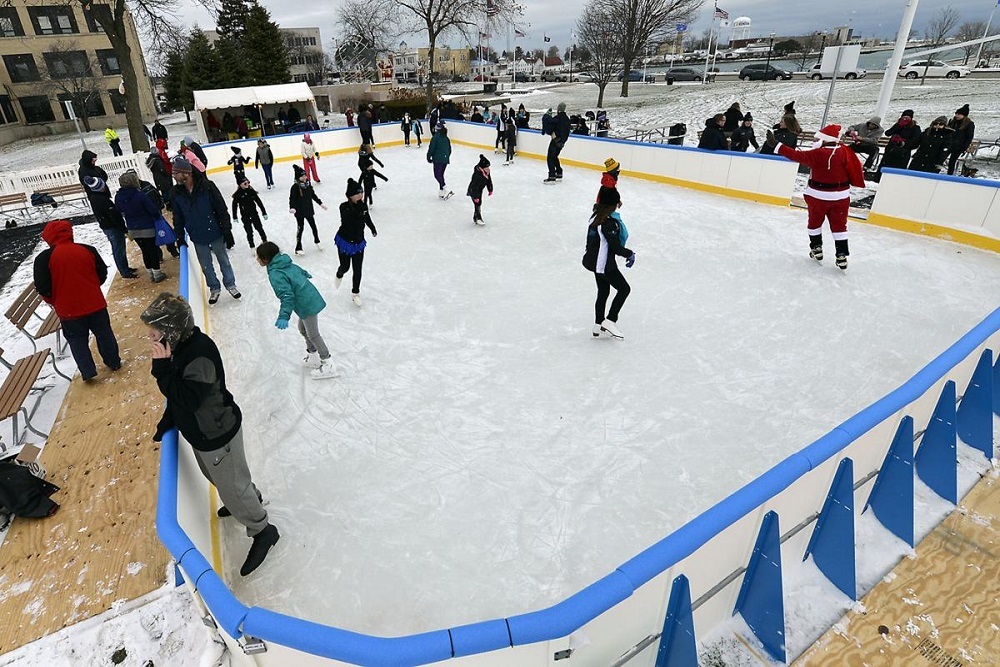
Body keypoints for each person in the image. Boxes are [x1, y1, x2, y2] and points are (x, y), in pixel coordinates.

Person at [141, 292, 279, 576]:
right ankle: (245, 497)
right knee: (222, 478)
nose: (150, 337)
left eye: (154, 331)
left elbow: (188, 398)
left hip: (217, 433)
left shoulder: (198, 355)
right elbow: (181, 399)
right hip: (203, 432)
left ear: (171, 330)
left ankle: (262, 529)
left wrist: (161, 369)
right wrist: (169, 420)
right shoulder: (180, 347)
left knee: (232, 483)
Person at [765, 124, 865, 270]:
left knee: (815, 222)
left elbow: (797, 156)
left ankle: (816, 248)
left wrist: (777, 145)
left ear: (824, 139)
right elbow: (854, 168)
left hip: (818, 196)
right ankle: (842, 254)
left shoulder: (818, 154)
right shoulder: (845, 151)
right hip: (841, 197)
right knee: (840, 225)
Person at [33, 220, 121, 382]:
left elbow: (43, 286)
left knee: (77, 341)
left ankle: (88, 372)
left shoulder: (43, 259)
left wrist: (54, 300)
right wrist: (92, 288)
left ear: (49, 237)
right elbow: (101, 274)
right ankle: (113, 362)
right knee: (104, 334)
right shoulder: (87, 249)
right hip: (95, 304)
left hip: (68, 310)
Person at [255, 242, 336, 379]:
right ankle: (313, 356)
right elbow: (295, 269)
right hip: (307, 298)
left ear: (266, 259)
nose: (256, 259)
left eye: (258, 257)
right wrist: (304, 273)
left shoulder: (275, 273)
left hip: (306, 303)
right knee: (303, 329)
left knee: (313, 334)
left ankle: (328, 363)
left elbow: (287, 296)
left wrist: (284, 316)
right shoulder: (282, 262)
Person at [170, 157, 241, 304]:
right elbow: (177, 216)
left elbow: (221, 208)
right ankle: (214, 288)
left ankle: (231, 284)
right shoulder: (176, 193)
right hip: (197, 235)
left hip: (215, 231)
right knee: (206, 265)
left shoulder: (207, 186)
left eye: (176, 173)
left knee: (224, 261)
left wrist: (226, 229)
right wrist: (179, 237)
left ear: (186, 173)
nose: (174, 176)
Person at [582, 196, 635, 340]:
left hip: (593, 261)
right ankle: (610, 320)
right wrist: (629, 254)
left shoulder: (596, 216)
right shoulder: (609, 223)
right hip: (603, 264)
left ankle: (598, 324)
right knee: (624, 289)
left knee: (603, 291)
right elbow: (615, 247)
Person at [115, 171, 167, 283]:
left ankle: (150, 273)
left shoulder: (118, 197)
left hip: (133, 229)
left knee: (145, 251)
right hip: (147, 227)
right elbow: (152, 210)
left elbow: (119, 209)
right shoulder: (139, 195)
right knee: (152, 250)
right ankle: (157, 273)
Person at [81, 174, 136, 279]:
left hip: (106, 226)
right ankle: (125, 271)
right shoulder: (104, 200)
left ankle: (124, 268)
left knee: (117, 249)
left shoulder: (94, 198)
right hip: (113, 227)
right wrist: (124, 229)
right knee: (119, 250)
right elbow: (115, 217)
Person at [335, 178, 378, 307]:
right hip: (345, 241)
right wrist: (359, 210)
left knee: (357, 269)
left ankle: (355, 293)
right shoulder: (344, 207)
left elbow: (367, 218)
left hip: (358, 242)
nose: (361, 195)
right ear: (350, 195)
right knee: (346, 267)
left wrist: (373, 228)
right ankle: (339, 273)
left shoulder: (363, 205)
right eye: (357, 193)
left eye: (362, 192)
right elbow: (347, 221)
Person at [288, 164, 327, 254]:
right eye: (302, 176)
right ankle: (298, 248)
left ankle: (317, 241)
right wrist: (292, 207)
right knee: (300, 229)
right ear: (298, 177)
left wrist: (320, 203)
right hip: (299, 212)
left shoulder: (308, 184)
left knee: (314, 227)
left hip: (308, 210)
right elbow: (292, 198)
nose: (305, 177)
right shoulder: (295, 187)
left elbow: (313, 195)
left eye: (305, 175)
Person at [880, 110, 921, 176]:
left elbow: (916, 141)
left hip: (903, 153)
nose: (905, 119)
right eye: (903, 117)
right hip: (891, 150)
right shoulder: (898, 125)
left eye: (907, 118)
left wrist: (904, 142)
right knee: (885, 169)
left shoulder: (915, 128)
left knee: (898, 172)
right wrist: (898, 125)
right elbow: (888, 133)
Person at [232, 176, 269, 248]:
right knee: (249, 231)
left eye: (248, 183)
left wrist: (264, 212)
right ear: (240, 184)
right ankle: (252, 246)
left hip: (254, 214)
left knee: (259, 228)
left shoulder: (251, 191)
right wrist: (235, 216)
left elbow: (259, 202)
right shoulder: (238, 194)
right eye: (245, 183)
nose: (247, 184)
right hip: (245, 216)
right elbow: (234, 206)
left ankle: (265, 241)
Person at [544, 103, 571, 183]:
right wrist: (563, 141)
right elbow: (567, 132)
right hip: (562, 142)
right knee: (555, 156)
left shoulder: (557, 118)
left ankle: (552, 176)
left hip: (555, 140)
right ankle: (559, 172)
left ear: (559, 109)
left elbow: (550, 128)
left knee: (550, 158)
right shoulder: (567, 119)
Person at [947, 104, 975, 176]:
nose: (957, 115)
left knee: (952, 161)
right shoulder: (953, 121)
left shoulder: (969, 124)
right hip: (949, 144)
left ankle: (949, 175)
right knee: (941, 158)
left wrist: (964, 147)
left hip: (959, 146)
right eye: (956, 114)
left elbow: (969, 137)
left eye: (959, 114)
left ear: (964, 115)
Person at [427, 122, 453, 198]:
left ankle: (446, 188)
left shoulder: (435, 137)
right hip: (445, 159)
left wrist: (429, 157)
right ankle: (441, 192)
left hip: (438, 159)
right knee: (441, 175)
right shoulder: (446, 138)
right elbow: (449, 149)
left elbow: (431, 148)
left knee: (437, 175)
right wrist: (446, 157)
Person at [466, 154, 494, 226]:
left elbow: (489, 181)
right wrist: (475, 197)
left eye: (488, 167)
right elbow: (474, 186)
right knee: (477, 203)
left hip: (480, 190)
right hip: (473, 190)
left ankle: (476, 217)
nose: (488, 169)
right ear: (482, 168)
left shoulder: (486, 172)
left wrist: (490, 189)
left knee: (479, 203)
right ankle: (478, 218)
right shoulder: (477, 175)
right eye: (487, 167)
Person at [147, 140, 174, 209]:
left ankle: (168, 204)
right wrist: (167, 173)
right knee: (167, 192)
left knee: (165, 191)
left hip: (158, 179)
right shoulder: (157, 160)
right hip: (163, 178)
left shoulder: (152, 160)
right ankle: (169, 205)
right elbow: (162, 169)